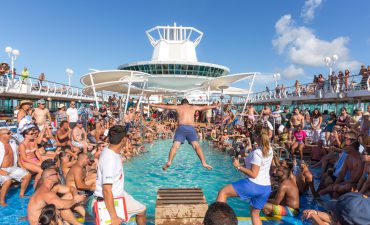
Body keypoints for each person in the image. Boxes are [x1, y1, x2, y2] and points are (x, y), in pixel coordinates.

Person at [90, 125, 146, 225]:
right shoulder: (109, 159)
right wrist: (114, 217)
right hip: (107, 199)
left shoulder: (111, 151)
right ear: (124, 139)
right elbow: (106, 190)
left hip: (118, 194)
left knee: (141, 210)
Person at [216, 132, 273, 225]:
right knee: (255, 214)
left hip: (254, 185)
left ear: (257, 136)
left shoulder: (257, 152)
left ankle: (217, 222)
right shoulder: (269, 149)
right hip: (266, 187)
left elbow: (254, 174)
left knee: (223, 192)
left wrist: (238, 167)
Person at [149, 99, 219, 170]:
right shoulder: (193, 107)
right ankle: (204, 163)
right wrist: (215, 106)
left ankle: (169, 161)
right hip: (191, 128)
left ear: (181, 103)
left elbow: (166, 106)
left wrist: (154, 105)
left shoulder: (178, 107)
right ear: (188, 103)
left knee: (175, 146)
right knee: (196, 146)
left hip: (181, 128)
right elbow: (204, 107)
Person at [0, 128, 32, 206]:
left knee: (28, 175)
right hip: (1, 169)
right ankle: (2, 201)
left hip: (12, 167)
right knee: (7, 181)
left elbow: (16, 156)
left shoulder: (12, 143)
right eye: (8, 133)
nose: (11, 134)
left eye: (10, 133)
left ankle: (21, 194)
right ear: (1, 135)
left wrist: (21, 166)